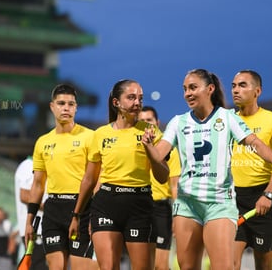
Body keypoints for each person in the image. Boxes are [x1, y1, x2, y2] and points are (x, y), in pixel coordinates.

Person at [141, 68, 272, 270]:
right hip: (187, 204)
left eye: (193, 87)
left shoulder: (228, 118)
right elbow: (159, 155)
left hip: (219, 202)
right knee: (187, 266)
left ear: (210, 89)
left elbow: (254, 142)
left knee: (224, 266)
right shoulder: (178, 122)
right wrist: (148, 146)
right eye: (185, 89)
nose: (188, 93)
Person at [69, 79, 170, 270]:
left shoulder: (151, 132)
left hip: (140, 205)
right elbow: (90, 179)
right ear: (116, 102)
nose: (137, 103)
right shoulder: (100, 134)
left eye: (140, 98)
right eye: (131, 97)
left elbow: (163, 176)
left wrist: (150, 149)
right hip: (106, 204)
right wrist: (77, 215)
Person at [24, 83, 99, 270]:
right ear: (52, 106)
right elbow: (38, 184)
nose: (66, 108)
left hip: (82, 210)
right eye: (61, 103)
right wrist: (29, 221)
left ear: (76, 107)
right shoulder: (43, 142)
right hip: (53, 211)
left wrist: (93, 215)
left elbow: (97, 180)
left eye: (71, 104)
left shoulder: (90, 137)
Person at [231, 70, 272, 270]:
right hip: (232, 200)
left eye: (242, 85)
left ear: (257, 91)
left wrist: (267, 194)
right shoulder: (228, 120)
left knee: (264, 265)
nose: (236, 90)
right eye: (233, 86)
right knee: (229, 263)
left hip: (262, 197)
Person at [138, 105, 181, 270]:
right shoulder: (135, 145)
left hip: (160, 209)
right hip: (139, 207)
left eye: (149, 120)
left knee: (160, 266)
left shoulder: (168, 147)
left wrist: (177, 216)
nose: (145, 124)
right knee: (142, 264)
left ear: (157, 122)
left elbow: (175, 185)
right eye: (141, 121)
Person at [14, 155, 48, 270]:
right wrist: (52, 208)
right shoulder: (29, 165)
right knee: (37, 265)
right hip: (35, 229)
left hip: (41, 228)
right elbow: (24, 195)